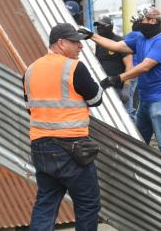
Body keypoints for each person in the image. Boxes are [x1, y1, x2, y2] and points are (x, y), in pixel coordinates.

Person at [23, 22, 102, 231]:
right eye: (75, 42)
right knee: (87, 203)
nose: (80, 47)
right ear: (61, 43)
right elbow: (95, 99)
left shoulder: (31, 70)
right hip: (72, 148)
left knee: (46, 203)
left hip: (40, 147)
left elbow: (30, 107)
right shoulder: (74, 67)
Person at [79, 7, 161, 161]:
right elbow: (116, 46)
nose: (139, 24)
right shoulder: (140, 39)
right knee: (138, 144)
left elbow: (145, 66)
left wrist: (118, 79)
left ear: (152, 21)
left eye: (142, 21)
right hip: (146, 100)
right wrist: (92, 35)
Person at [94, 16, 134, 120]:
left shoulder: (120, 42)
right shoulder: (99, 43)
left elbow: (129, 65)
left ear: (109, 26)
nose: (98, 28)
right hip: (105, 87)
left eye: (101, 26)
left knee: (127, 116)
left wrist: (126, 87)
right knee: (110, 118)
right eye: (97, 26)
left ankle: (134, 136)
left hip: (119, 87)